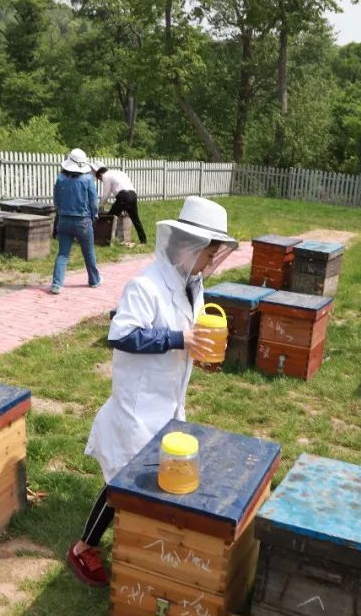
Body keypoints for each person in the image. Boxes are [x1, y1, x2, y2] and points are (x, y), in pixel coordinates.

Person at [66, 196, 238, 587]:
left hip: (167, 401)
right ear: (190, 246)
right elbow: (121, 333)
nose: (211, 262)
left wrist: (201, 351)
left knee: (153, 481)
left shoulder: (192, 286)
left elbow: (190, 334)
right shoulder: (145, 285)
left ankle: (146, 551)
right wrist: (180, 338)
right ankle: (83, 548)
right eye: (209, 253)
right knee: (121, 484)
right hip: (137, 406)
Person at [51, 148, 101, 295]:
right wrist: (95, 215)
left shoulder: (60, 179)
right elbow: (93, 201)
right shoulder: (88, 179)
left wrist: (60, 212)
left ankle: (56, 284)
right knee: (88, 251)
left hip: (64, 220)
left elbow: (56, 200)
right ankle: (94, 280)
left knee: (62, 254)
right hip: (83, 221)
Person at [92, 162, 147, 245]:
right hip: (133, 195)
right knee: (135, 219)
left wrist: (101, 206)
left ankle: (106, 241)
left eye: (99, 179)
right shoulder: (119, 172)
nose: (101, 180)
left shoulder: (106, 176)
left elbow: (106, 194)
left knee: (110, 218)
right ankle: (143, 241)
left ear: (99, 174)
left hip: (123, 196)